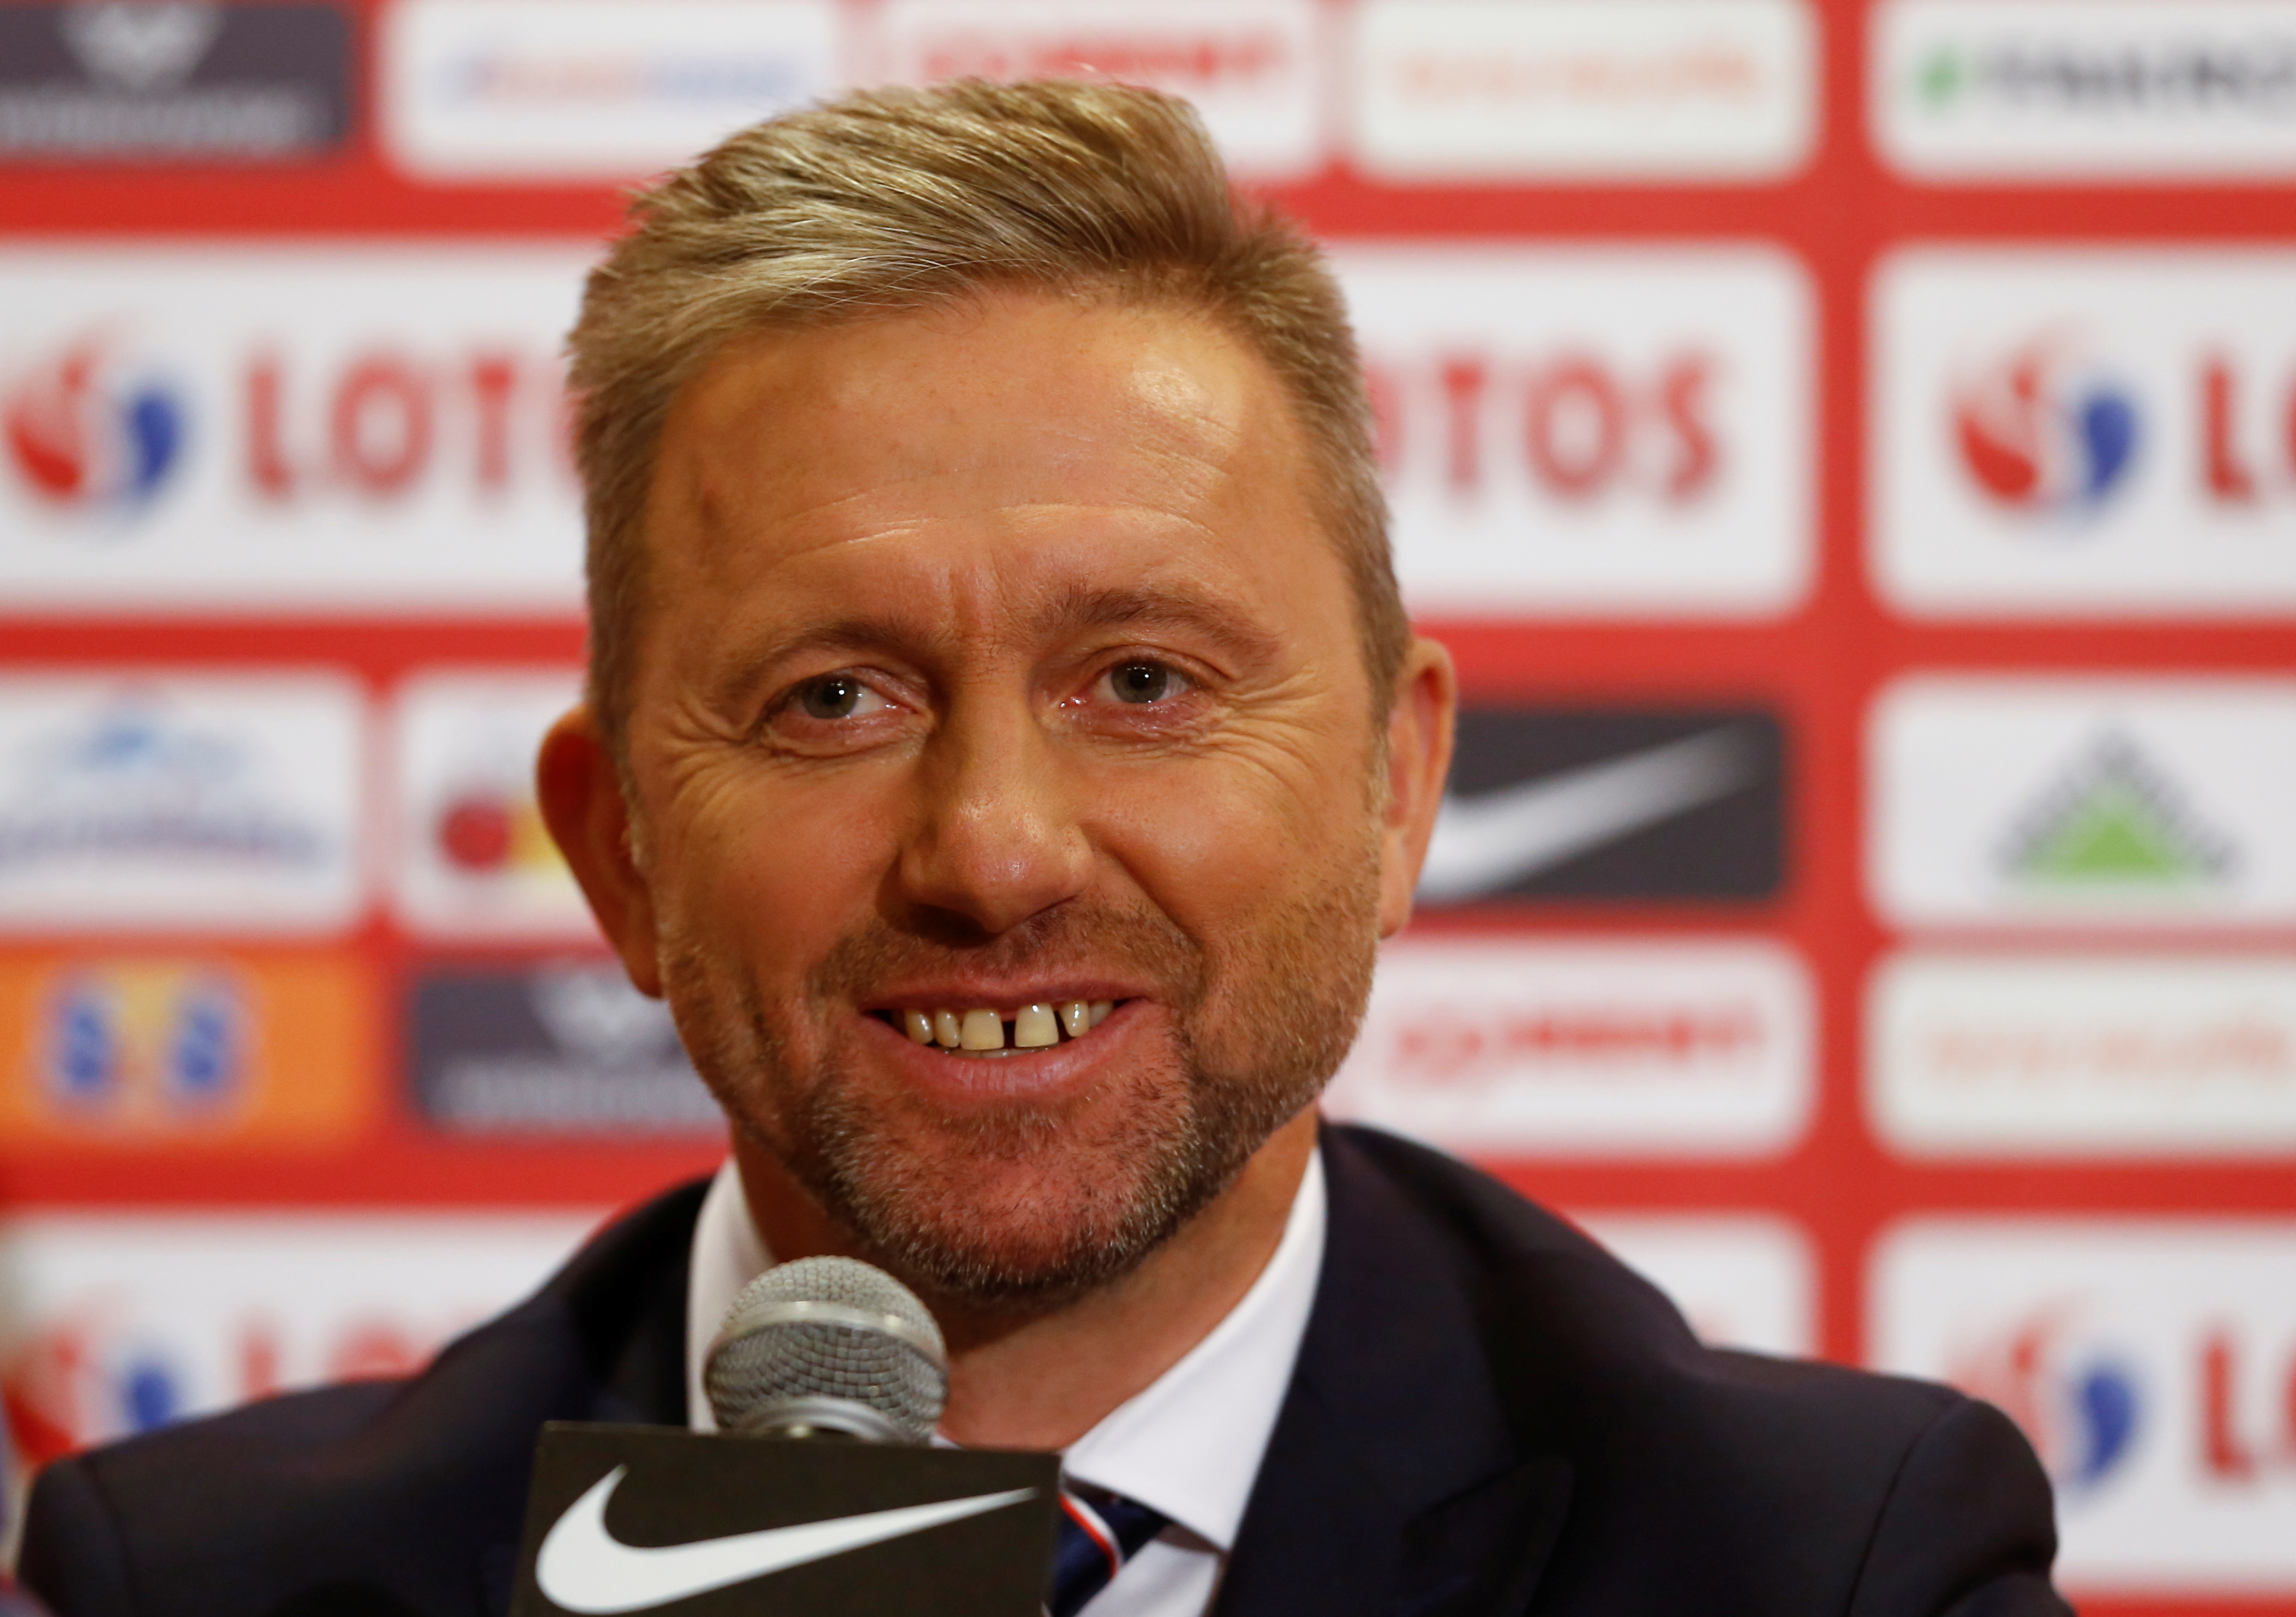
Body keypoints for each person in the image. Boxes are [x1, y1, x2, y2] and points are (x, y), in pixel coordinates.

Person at [17, 80, 2068, 1617]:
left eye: (1145, 681)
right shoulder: (201, 1582)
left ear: (1391, 784)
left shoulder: (1824, 1565)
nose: (991, 853)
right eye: (833, 696)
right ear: (617, 854)